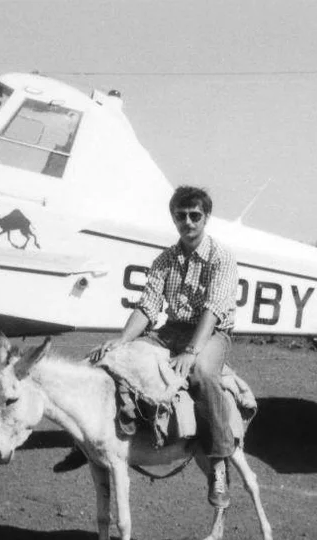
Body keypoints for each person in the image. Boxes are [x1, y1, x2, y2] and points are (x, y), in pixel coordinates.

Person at [84, 185, 239, 508]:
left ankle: (220, 462)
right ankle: (101, 436)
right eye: (181, 216)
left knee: (201, 374)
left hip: (211, 333)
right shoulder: (165, 260)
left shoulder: (221, 258)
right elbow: (148, 307)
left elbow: (212, 311)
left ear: (206, 217)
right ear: (173, 218)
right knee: (111, 359)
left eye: (195, 215)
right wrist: (122, 340)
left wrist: (191, 351)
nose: (188, 222)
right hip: (171, 331)